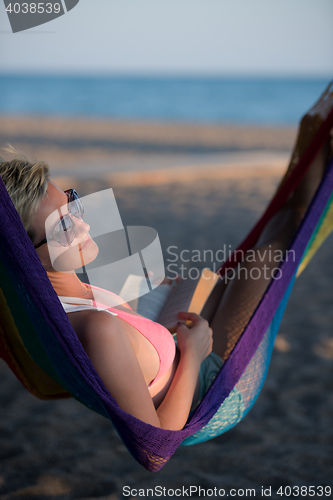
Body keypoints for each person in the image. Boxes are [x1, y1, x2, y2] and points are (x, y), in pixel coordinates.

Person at [0, 108, 330, 431]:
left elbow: (122, 344)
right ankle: (319, 152)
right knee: (275, 246)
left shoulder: (52, 301)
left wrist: (150, 302)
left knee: (245, 263)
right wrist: (192, 354)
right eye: (64, 228)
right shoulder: (95, 327)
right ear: (25, 255)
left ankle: (316, 154)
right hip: (210, 389)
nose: (84, 225)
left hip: (181, 344)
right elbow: (156, 447)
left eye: (72, 205)